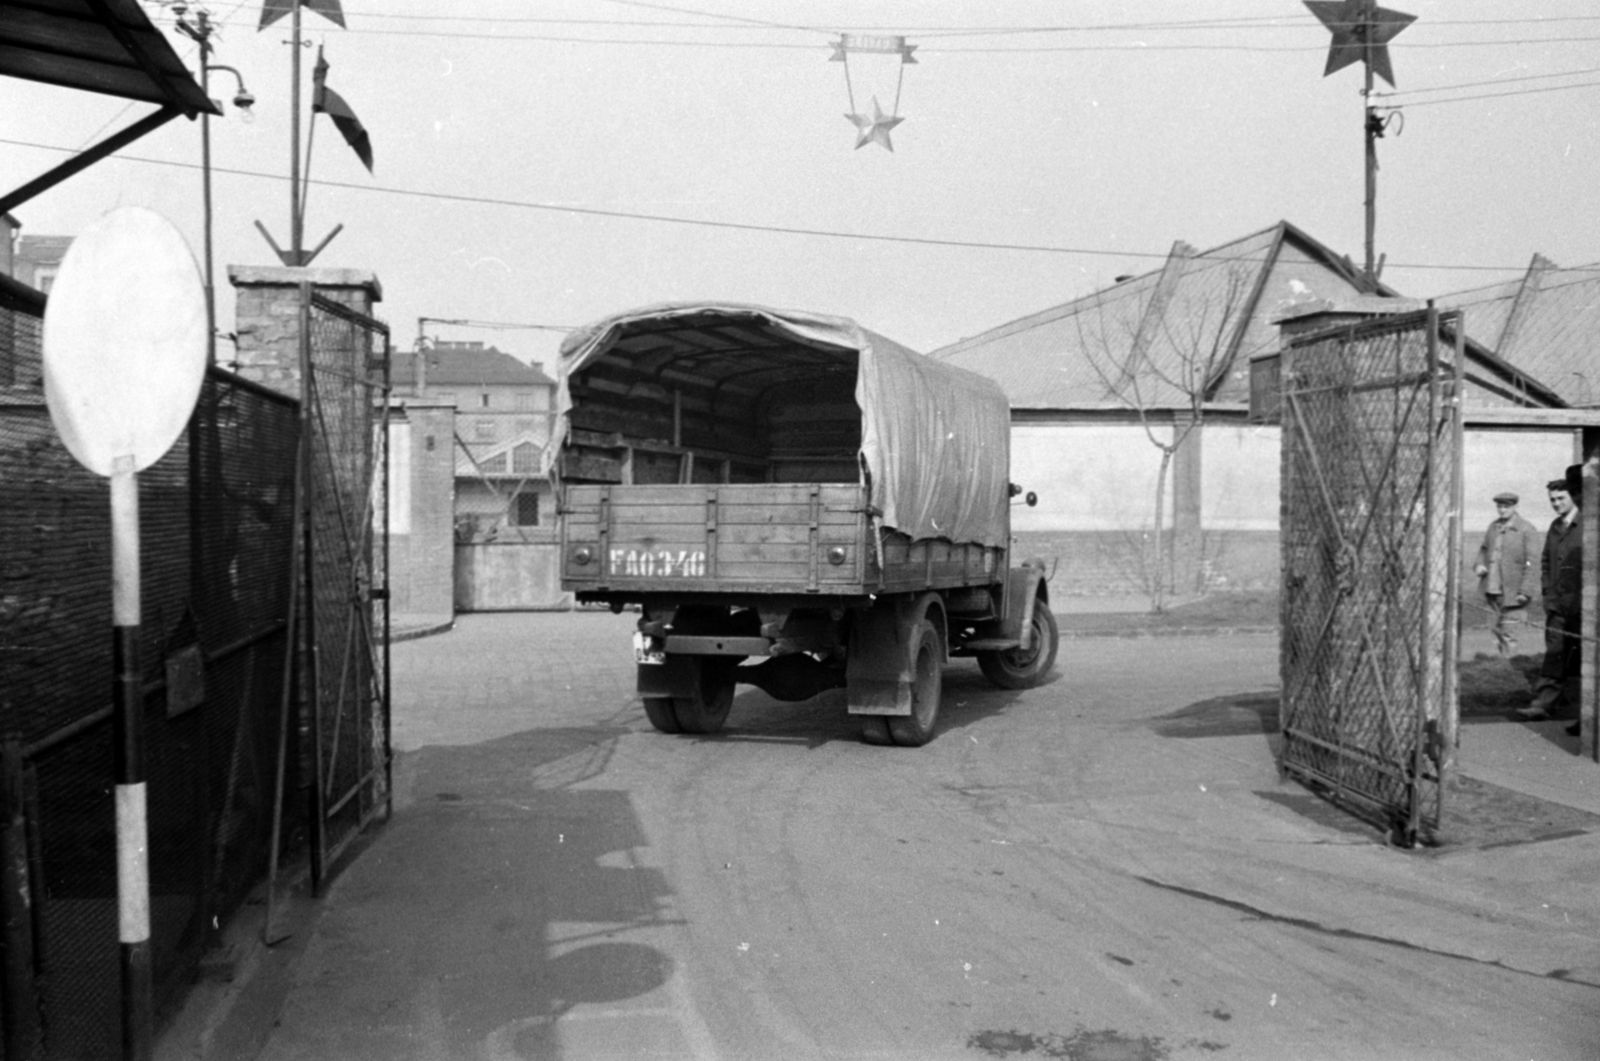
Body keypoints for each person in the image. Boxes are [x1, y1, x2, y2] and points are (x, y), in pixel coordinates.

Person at [1516, 468, 1584, 725]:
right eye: (1552, 500)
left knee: (1588, 658)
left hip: (1583, 606)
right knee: (1555, 654)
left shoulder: (1589, 523)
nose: (1556, 504)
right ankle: (1543, 705)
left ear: (1574, 497)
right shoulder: (1556, 526)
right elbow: (1545, 562)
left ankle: (1586, 717)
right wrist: (1548, 593)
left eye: (1561, 499)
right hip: (1558, 606)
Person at [1474, 491, 1537, 657]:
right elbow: (1483, 550)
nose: (1502, 510)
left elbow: (1532, 564)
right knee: (1495, 632)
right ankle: (1501, 668)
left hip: (1513, 594)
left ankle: (1511, 670)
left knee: (1510, 635)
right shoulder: (1493, 527)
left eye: (1506, 506)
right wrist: (1479, 565)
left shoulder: (1527, 529)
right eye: (1499, 506)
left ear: (1514, 506)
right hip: (1491, 592)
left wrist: (1525, 591)